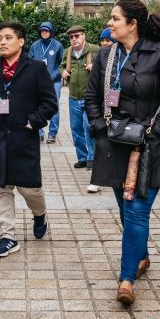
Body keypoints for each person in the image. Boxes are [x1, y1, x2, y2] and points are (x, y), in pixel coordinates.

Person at [85, 0, 160, 305]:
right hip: (114, 143)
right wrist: (100, 127)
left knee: (137, 209)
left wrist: (158, 130)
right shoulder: (105, 56)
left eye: (115, 18)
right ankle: (142, 257)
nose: (110, 23)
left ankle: (126, 279)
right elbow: (91, 96)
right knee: (127, 211)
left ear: (132, 23)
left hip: (150, 144)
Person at [0, 21, 59, 258]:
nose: (2, 42)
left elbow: (49, 103)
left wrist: (33, 121)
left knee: (29, 188)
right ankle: (8, 236)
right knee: (1, 187)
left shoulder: (35, 68)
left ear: (21, 42)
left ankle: (40, 213)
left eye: (8, 37)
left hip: (24, 137)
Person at [61, 25, 100, 194]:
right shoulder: (67, 52)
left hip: (90, 97)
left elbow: (106, 69)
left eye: (77, 36)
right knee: (76, 128)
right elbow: (61, 66)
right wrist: (63, 72)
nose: (74, 39)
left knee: (88, 127)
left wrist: (95, 68)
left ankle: (92, 158)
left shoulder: (95, 50)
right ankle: (82, 157)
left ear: (84, 36)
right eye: (71, 37)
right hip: (73, 96)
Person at [29, 22, 64, 143]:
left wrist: (55, 74)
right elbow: (30, 63)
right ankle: (39, 132)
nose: (44, 33)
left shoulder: (57, 45)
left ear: (51, 32)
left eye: (47, 31)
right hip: (38, 82)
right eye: (42, 31)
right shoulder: (35, 45)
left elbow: (61, 64)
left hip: (54, 81)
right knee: (37, 106)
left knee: (54, 107)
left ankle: (52, 133)